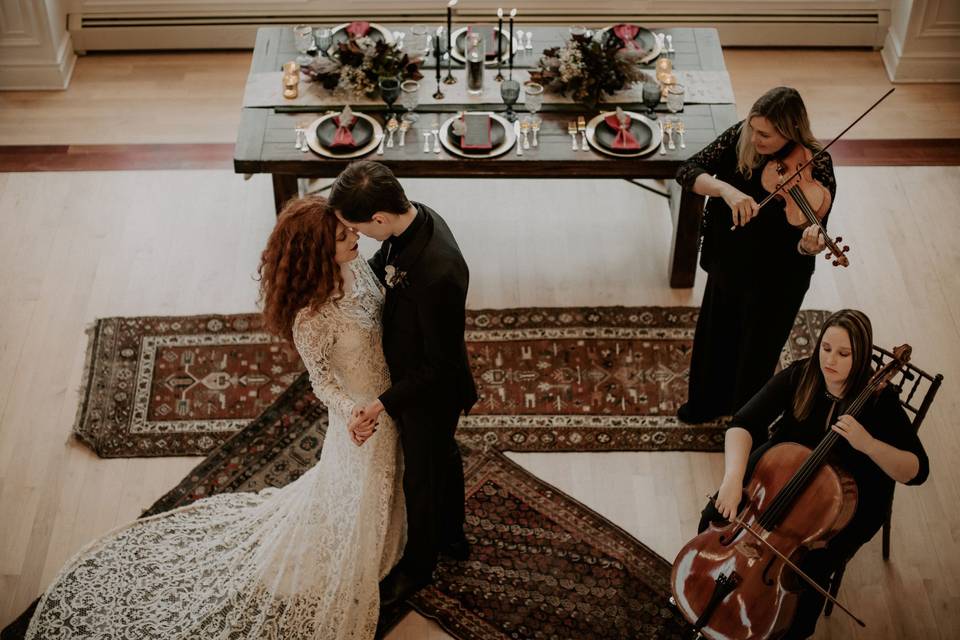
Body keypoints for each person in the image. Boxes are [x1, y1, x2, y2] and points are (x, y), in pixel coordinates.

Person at [25, 195, 406, 639]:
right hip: (364, 415)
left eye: (350, 230)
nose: (355, 236)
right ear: (318, 253)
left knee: (397, 474)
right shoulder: (312, 317)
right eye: (344, 236)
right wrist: (351, 412)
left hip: (395, 395)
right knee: (368, 484)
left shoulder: (360, 266)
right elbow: (321, 383)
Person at [699, 309, 929, 638]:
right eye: (825, 348)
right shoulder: (803, 375)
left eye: (843, 353)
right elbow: (743, 423)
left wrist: (869, 444)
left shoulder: (881, 403)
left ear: (860, 357)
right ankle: (714, 587)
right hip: (780, 472)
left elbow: (917, 471)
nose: (829, 360)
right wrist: (732, 480)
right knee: (716, 515)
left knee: (803, 577)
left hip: (849, 500)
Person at [327, 160, 478, 608]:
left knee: (421, 478)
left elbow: (441, 365)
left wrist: (381, 403)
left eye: (356, 228)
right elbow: (381, 266)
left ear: (379, 218)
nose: (356, 237)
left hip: (430, 391)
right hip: (417, 373)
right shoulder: (412, 218)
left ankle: (419, 565)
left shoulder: (439, 271)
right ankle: (453, 534)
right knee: (443, 458)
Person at [675, 86, 838, 424]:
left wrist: (809, 244)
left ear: (789, 132)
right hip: (730, 261)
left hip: (779, 277)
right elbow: (688, 171)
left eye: (765, 133)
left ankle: (744, 423)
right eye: (753, 127)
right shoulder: (741, 137)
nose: (755, 137)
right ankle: (706, 404)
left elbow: (813, 230)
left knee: (758, 353)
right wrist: (726, 190)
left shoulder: (816, 163)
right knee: (716, 338)